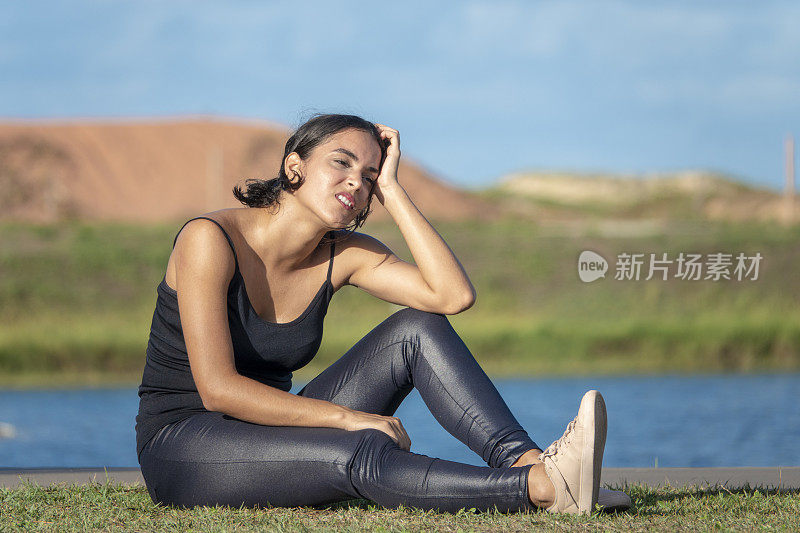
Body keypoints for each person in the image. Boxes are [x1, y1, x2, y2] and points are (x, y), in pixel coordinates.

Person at [134, 113, 630, 515]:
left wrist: (392, 190)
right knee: (359, 450)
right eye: (341, 163)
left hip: (268, 433)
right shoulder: (209, 240)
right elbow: (217, 388)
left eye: (368, 176)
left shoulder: (343, 252)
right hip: (185, 444)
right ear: (294, 167)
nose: (356, 182)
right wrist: (347, 419)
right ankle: (538, 489)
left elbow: (450, 297)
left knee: (417, 328)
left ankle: (535, 464)